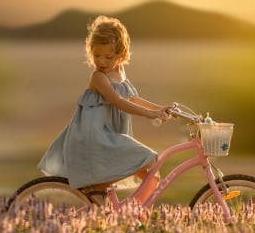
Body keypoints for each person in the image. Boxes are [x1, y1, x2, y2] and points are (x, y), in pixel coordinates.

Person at [38, 15, 170, 204]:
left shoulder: (119, 73)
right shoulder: (98, 78)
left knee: (152, 177)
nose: (102, 61)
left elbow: (132, 98)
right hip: (95, 138)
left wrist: (158, 108)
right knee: (149, 159)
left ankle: (130, 213)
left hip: (111, 136)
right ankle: (96, 185)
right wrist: (150, 115)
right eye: (97, 55)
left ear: (121, 55)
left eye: (108, 57)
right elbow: (118, 101)